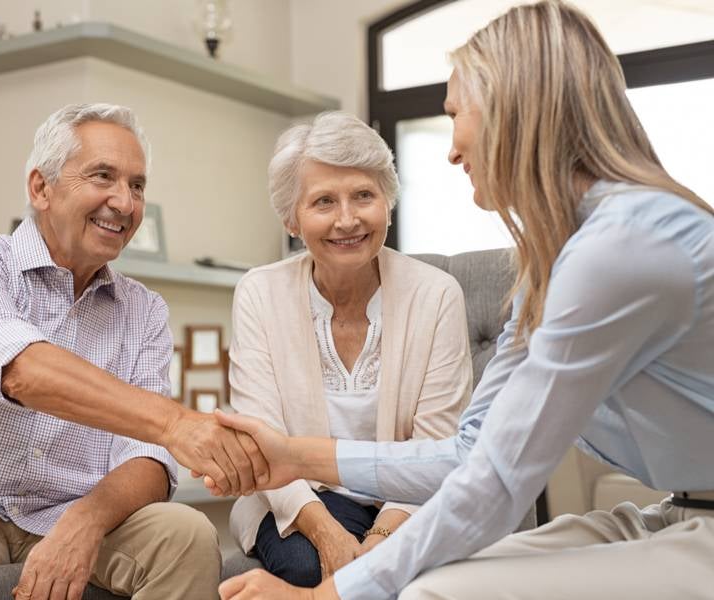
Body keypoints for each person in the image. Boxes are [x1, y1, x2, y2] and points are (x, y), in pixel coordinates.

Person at [215, 2, 714, 598]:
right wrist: (295, 455)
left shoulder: (623, 246)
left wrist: (329, 595)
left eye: (456, 113)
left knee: (428, 592)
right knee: (445, 575)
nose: (451, 149)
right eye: (323, 202)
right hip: (680, 510)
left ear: (514, 111)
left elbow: (499, 481)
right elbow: (469, 453)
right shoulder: (553, 263)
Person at [0, 103, 268, 600]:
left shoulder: (143, 309)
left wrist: (88, 518)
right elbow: (22, 371)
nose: (124, 202)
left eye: (137, 186)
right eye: (103, 176)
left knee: (186, 534)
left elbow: (148, 457)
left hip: (75, 503)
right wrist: (177, 424)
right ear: (41, 188)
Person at [227, 111, 471, 587]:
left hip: (408, 501)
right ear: (291, 219)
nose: (347, 219)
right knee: (307, 565)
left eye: (364, 195)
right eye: (323, 201)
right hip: (299, 498)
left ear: (388, 202)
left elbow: (436, 448)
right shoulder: (259, 292)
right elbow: (262, 439)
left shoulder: (437, 295)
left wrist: (377, 544)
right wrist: (331, 538)